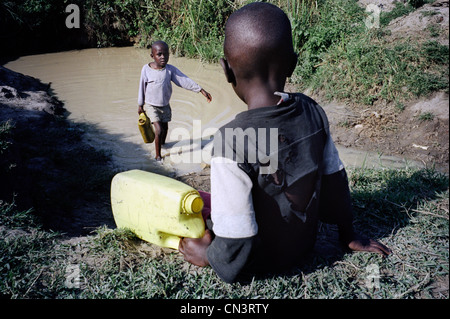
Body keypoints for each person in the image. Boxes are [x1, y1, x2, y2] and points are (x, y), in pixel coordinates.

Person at [179, 2, 391, 283]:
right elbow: (334, 178)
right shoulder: (312, 110)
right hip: (304, 247)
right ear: (292, 63)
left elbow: (237, 236)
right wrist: (349, 235)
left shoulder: (229, 140)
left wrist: (208, 256)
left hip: (261, 263)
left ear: (226, 71)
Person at [138, 40, 212, 161]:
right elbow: (141, 87)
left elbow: (184, 81)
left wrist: (201, 90)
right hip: (151, 106)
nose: (163, 57)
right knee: (159, 129)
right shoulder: (146, 70)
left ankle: (162, 145)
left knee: (165, 129)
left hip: (165, 105)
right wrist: (140, 105)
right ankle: (158, 156)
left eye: (166, 54)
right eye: (159, 54)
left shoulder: (170, 70)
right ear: (152, 55)